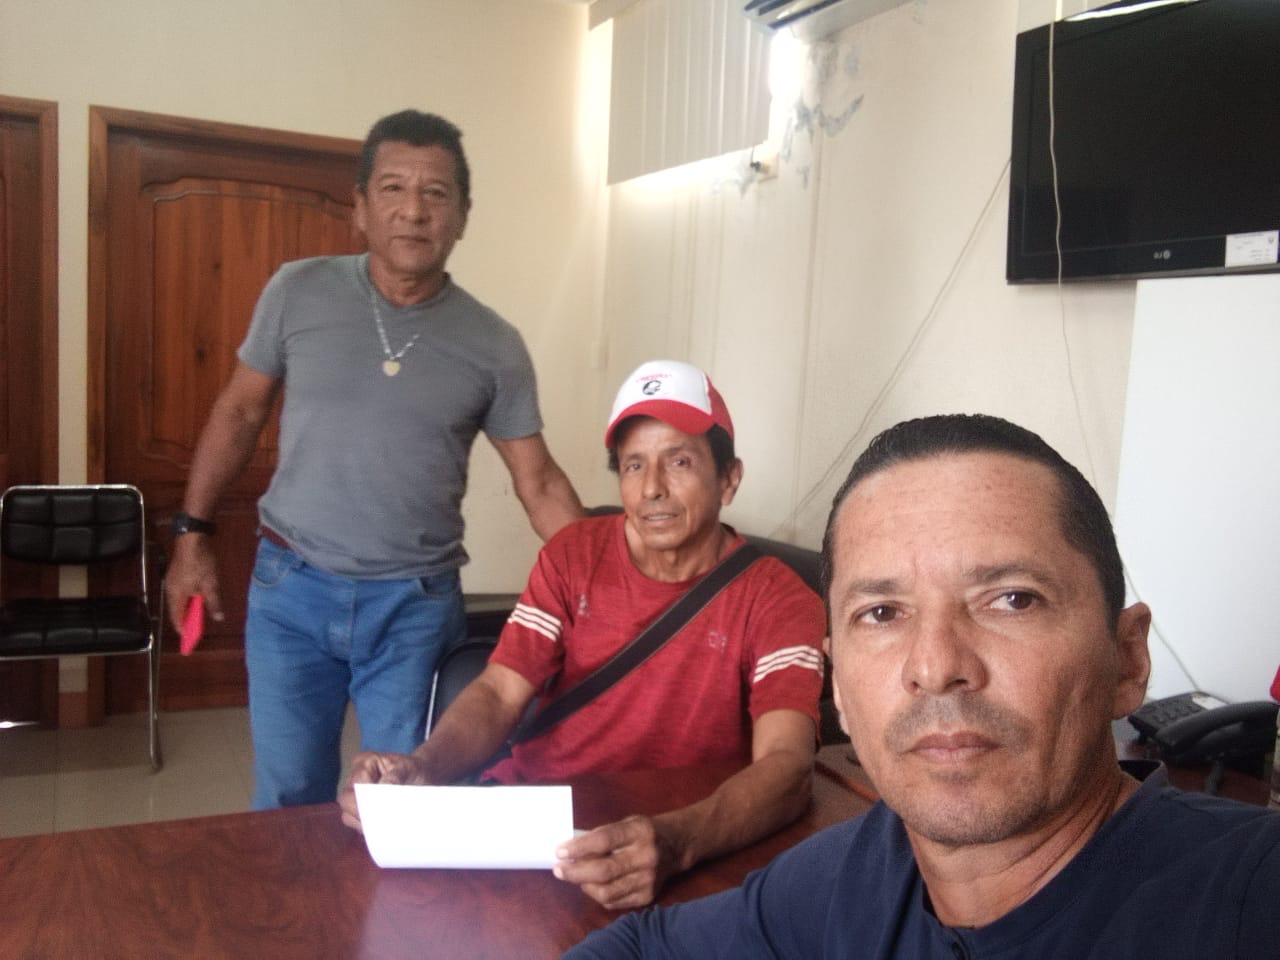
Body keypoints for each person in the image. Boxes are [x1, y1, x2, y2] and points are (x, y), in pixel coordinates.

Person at [566, 413, 1280, 958]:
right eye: (882, 613)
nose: (936, 666)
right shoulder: (850, 877)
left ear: (1126, 661)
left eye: (1012, 599)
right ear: (838, 687)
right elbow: (640, 947)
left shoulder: (1247, 899)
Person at [164, 110, 583, 810]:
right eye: (393, 188)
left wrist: (612, 585)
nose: (414, 211)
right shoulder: (297, 290)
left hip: (413, 608)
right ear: (360, 206)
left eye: (436, 194)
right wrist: (191, 537)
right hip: (291, 589)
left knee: (405, 801)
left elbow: (538, 482)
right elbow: (238, 413)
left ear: (462, 216)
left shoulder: (493, 344)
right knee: (288, 799)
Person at [339, 359, 826, 910]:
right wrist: (424, 768)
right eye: (634, 465)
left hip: (678, 830)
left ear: (729, 479)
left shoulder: (781, 600)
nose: (652, 489)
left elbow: (787, 765)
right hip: (536, 823)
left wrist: (680, 841)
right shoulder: (573, 556)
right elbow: (501, 691)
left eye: (680, 461)